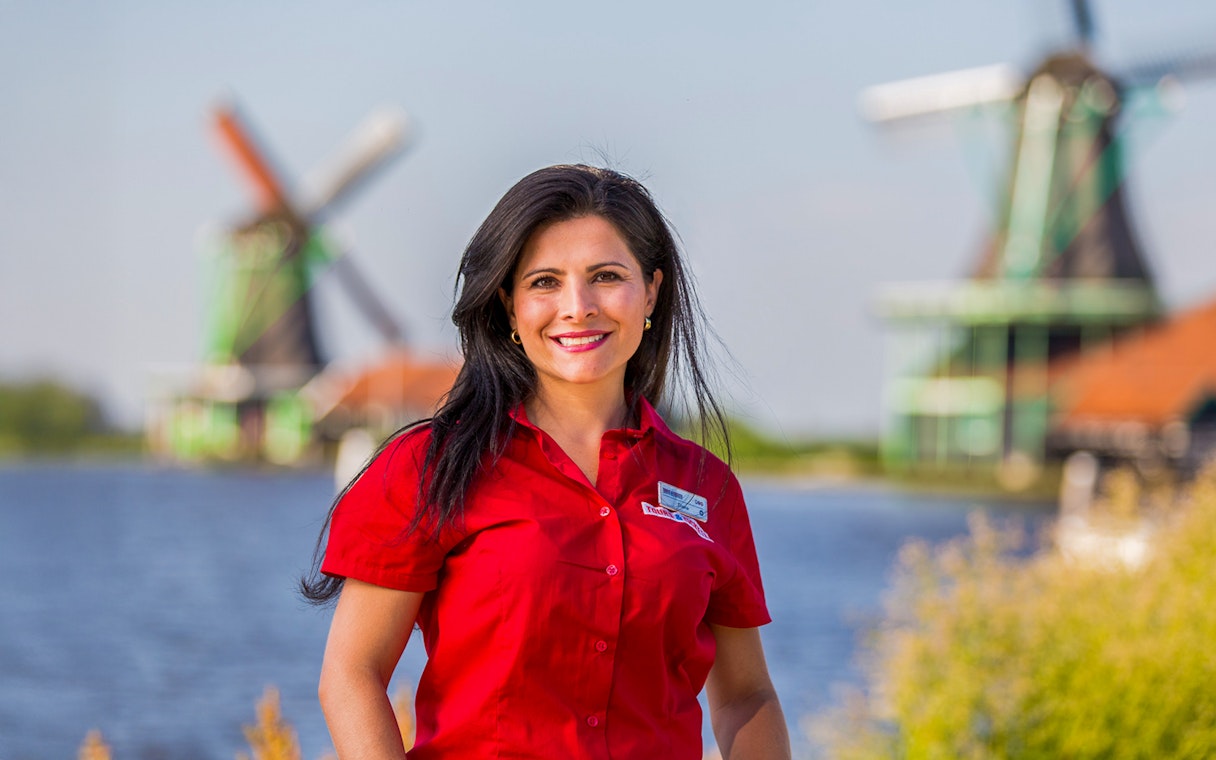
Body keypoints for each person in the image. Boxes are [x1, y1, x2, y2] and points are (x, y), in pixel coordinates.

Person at [302, 164, 790, 759]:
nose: (577, 307)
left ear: (652, 293)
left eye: (606, 276)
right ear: (508, 305)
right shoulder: (431, 467)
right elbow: (351, 675)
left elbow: (747, 697)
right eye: (544, 282)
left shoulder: (706, 488)